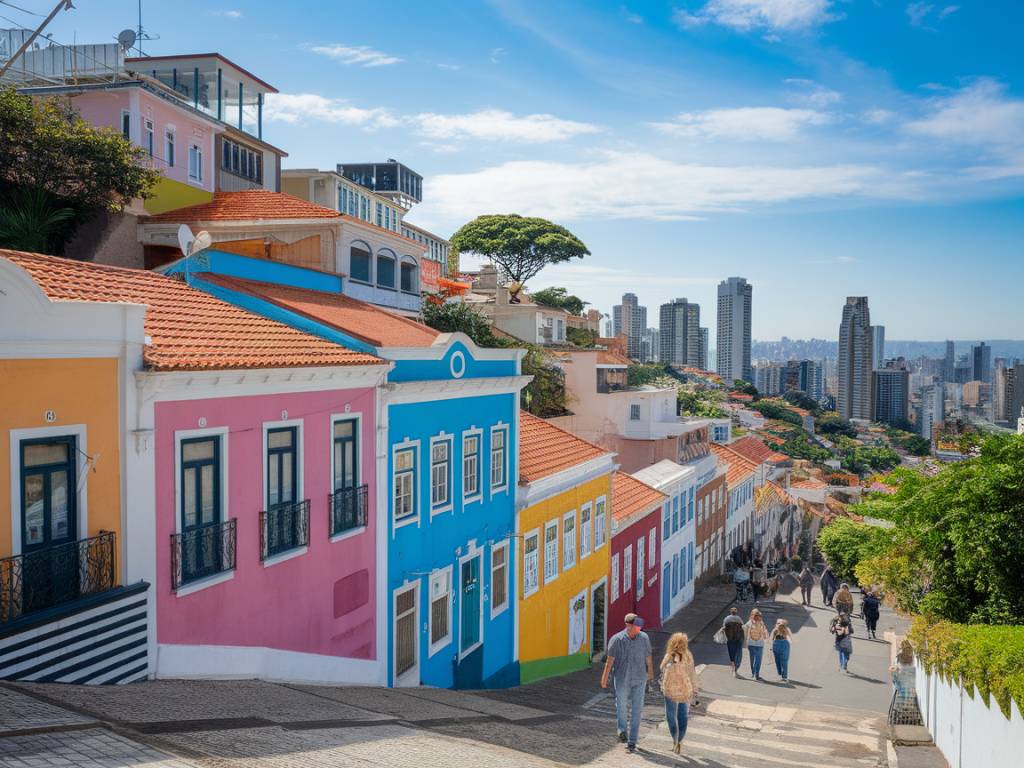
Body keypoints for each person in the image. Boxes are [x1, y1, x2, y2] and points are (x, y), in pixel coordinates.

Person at [601, 613, 654, 753]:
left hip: (639, 679)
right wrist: (604, 678)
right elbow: (609, 661)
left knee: (637, 710)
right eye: (636, 625)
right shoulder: (616, 640)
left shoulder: (644, 638)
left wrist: (650, 674)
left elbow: (648, 656)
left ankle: (632, 742)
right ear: (628, 625)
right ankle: (622, 729)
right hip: (622, 679)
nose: (639, 628)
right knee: (622, 706)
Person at [660, 632, 700, 755]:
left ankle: (676, 741)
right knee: (677, 716)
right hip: (678, 689)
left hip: (677, 690)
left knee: (675, 716)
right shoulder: (679, 655)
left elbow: (662, 667)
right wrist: (695, 688)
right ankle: (678, 741)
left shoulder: (680, 655)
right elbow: (691, 672)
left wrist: (695, 688)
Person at [744, 608, 769, 681]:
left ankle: (756, 674)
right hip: (753, 644)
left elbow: (765, 630)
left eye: (758, 614)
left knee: (757, 660)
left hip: (758, 644)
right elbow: (744, 629)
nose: (757, 616)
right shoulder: (749, 623)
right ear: (752, 615)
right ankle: (754, 674)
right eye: (756, 614)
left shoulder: (761, 622)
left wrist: (766, 637)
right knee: (755, 660)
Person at [721, 606, 745, 677]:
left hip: (730, 639)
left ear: (730, 612)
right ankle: (735, 669)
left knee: (731, 653)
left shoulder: (727, 618)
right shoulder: (739, 618)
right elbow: (743, 627)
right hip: (737, 638)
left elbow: (723, 627)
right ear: (736, 612)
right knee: (737, 653)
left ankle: (733, 667)